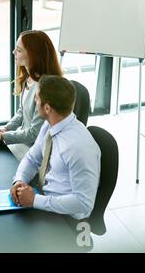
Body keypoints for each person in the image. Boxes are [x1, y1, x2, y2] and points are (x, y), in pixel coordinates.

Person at [10, 75, 100, 220]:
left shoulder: (78, 148)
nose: (34, 100)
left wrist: (35, 200)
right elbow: (32, 158)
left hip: (65, 218)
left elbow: (83, 203)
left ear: (47, 108)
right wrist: (20, 180)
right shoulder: (50, 124)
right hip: (45, 200)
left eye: (37, 98)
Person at [0, 30, 63, 160]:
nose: (13, 52)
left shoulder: (44, 89)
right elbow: (22, 112)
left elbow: (33, 134)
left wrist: (1, 136)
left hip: (35, 151)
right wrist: (3, 129)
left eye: (19, 50)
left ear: (33, 56)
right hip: (23, 144)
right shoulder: (29, 78)